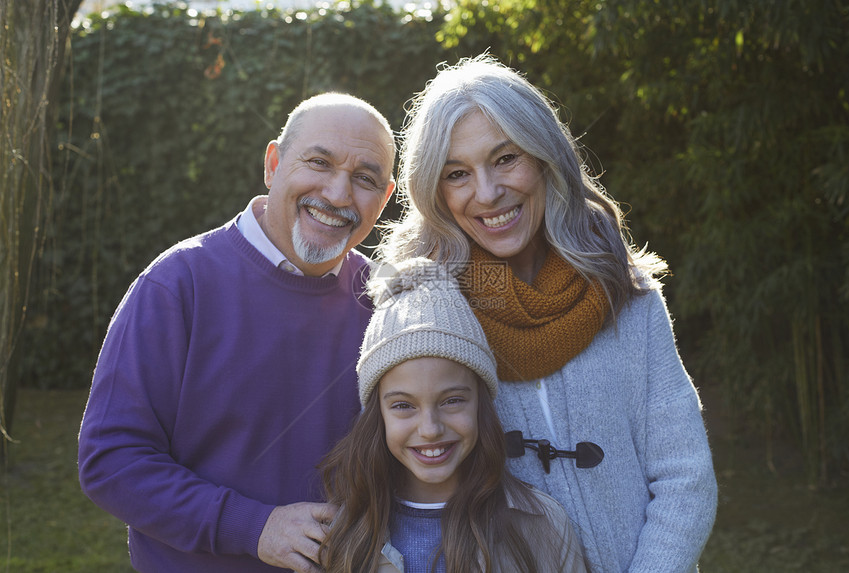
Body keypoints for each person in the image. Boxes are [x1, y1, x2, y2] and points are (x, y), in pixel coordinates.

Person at [378, 55, 719, 573]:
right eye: (457, 174)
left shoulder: (627, 295)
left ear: (544, 157)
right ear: (436, 193)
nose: (488, 192)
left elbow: (685, 479)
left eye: (506, 158)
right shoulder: (430, 313)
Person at [78, 92, 396, 572]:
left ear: (385, 197)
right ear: (273, 164)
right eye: (318, 162)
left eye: (364, 178)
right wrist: (252, 526)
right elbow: (111, 460)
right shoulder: (177, 284)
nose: (337, 194)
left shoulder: (387, 302)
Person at [318, 258, 588, 572]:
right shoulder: (344, 536)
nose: (430, 429)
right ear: (377, 414)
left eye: (452, 401)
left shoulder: (543, 526)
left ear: (481, 404)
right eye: (404, 405)